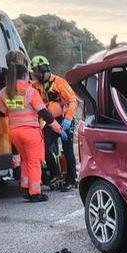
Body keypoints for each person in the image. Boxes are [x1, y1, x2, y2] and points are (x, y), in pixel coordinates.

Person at [0, 51, 67, 202]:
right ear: (24, 75)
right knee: (34, 162)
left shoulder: (5, 92)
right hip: (31, 133)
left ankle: (25, 188)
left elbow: (1, 112)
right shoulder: (30, 91)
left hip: (14, 133)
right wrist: (59, 129)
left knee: (25, 160)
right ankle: (35, 193)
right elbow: (44, 113)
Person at [29, 55, 78, 190]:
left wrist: (68, 119)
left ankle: (71, 180)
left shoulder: (59, 82)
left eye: (36, 71)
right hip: (50, 121)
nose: (35, 75)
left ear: (43, 69)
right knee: (44, 146)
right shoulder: (35, 85)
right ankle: (56, 174)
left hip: (65, 119)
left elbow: (72, 101)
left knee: (68, 150)